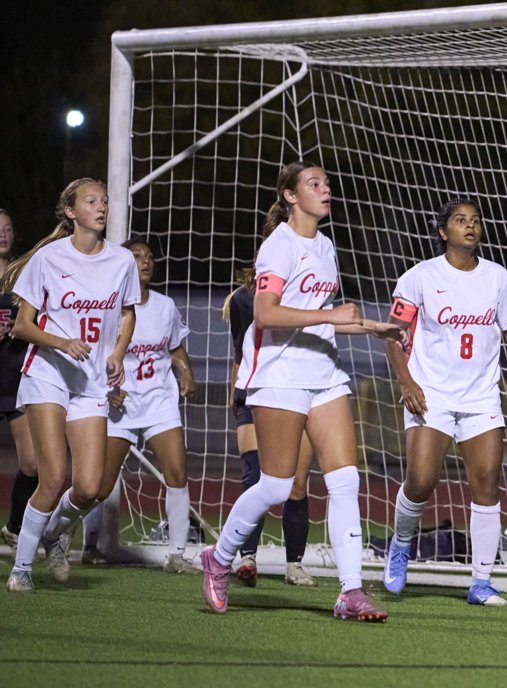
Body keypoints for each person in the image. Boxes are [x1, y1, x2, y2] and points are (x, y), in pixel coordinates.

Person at [198, 161, 397, 621]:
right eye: (314, 184)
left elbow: (321, 315)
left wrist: (372, 328)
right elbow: (266, 313)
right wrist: (331, 315)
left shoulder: (325, 245)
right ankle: (219, 557)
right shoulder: (278, 246)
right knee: (275, 484)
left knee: (345, 480)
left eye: (327, 183)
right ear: (290, 195)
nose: (326, 190)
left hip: (324, 374)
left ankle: (350, 591)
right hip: (278, 376)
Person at [383, 197, 507, 607]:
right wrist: (407, 382)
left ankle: (481, 582)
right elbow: (393, 336)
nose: (470, 226)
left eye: (476, 221)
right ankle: (401, 545)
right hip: (432, 393)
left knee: (486, 484)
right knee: (420, 481)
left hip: (481, 396)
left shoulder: (497, 277)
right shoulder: (419, 277)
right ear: (443, 231)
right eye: (461, 220)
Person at [2, 179, 139, 592]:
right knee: (52, 476)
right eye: (91, 201)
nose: (101, 207)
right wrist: (62, 342)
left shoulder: (121, 261)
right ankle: (22, 569)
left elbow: (128, 313)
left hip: (91, 381)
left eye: (104, 201)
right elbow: (22, 326)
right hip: (47, 374)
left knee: (90, 487)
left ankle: (56, 532)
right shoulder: (48, 258)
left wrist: (117, 353)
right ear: (71, 211)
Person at [80, 238, 199, 573]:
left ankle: (177, 555)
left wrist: (186, 372)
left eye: (149, 257)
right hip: (120, 405)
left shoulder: (165, 306)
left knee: (177, 473)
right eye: (136, 256)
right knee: (99, 485)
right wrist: (107, 390)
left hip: (159, 401)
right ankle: (81, 542)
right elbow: (92, 356)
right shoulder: (108, 308)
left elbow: (174, 348)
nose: (145, 262)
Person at [222, 266, 317, 588]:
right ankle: (246, 557)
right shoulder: (243, 299)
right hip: (256, 391)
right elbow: (240, 351)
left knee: (297, 485)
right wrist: (235, 392)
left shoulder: (309, 292)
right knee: (255, 477)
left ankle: (294, 565)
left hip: (298, 391)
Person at [1, 209, 40, 549]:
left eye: (8, 228)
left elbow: (38, 319)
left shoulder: (24, 275)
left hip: (15, 379)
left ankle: (13, 528)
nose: (3, 234)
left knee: (32, 462)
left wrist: (24, 327)